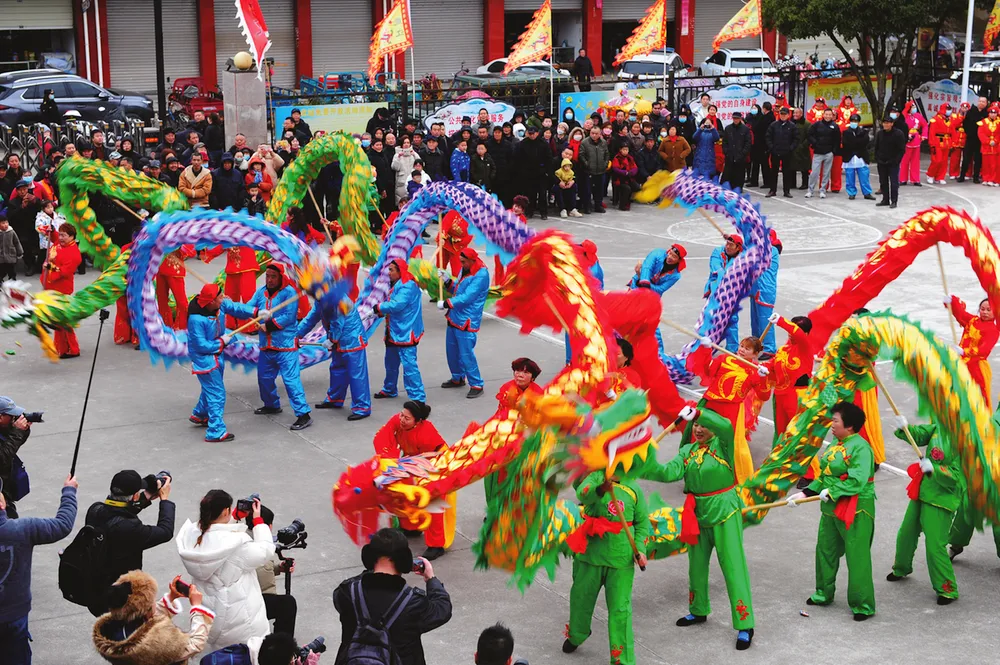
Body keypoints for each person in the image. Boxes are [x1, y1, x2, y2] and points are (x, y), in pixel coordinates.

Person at [641, 408, 755, 650]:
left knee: (733, 567)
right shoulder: (687, 452)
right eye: (695, 425)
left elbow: (726, 426)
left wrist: (700, 412)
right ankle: (698, 610)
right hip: (697, 514)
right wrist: (644, 462)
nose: (699, 429)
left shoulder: (724, 446)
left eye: (703, 424)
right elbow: (667, 472)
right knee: (697, 566)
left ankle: (745, 624)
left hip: (725, 511)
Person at [787, 401, 876, 621]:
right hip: (830, 508)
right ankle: (823, 593)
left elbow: (857, 481)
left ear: (850, 426)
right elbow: (825, 475)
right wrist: (806, 493)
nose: (831, 425)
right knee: (825, 551)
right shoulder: (836, 444)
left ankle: (862, 604)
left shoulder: (861, 447)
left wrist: (833, 491)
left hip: (855, 510)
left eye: (835, 421)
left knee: (857, 558)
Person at [562, 470, 649, 663]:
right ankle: (577, 635)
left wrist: (641, 549)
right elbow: (583, 492)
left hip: (620, 560)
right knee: (580, 601)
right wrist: (602, 488)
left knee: (620, 611)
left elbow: (642, 523)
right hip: (590, 556)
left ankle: (622, 659)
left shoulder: (634, 489)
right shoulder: (594, 477)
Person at [333, 527, 451, 665]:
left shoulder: (347, 593)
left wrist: (369, 572)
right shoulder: (413, 603)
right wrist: (431, 579)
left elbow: (342, 598)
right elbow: (442, 609)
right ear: (405, 561)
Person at [176, 491, 274, 652]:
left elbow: (215, 535)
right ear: (225, 511)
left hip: (209, 614)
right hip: (240, 619)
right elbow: (265, 551)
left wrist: (234, 518)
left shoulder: (191, 535)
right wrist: (258, 521)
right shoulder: (237, 546)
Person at [0, 472, 78, 664]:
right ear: (2, 504)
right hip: (14, 616)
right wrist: (69, 491)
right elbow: (63, 524)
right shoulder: (23, 529)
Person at [226, 264, 313, 431]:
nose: (270, 280)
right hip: (266, 346)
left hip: (286, 347)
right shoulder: (261, 292)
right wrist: (231, 305)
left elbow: (288, 316)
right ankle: (272, 405)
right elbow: (248, 308)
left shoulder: (289, 293)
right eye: (267, 276)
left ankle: (304, 414)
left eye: (273, 276)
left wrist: (269, 325)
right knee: (264, 378)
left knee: (290, 381)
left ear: (280, 277)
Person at [884, 419, 962, 605]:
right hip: (924, 490)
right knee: (906, 533)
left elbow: (958, 476)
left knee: (935, 545)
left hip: (942, 498)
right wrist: (905, 427)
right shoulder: (940, 424)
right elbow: (919, 434)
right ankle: (901, 568)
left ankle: (947, 589)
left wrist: (935, 469)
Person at [84, 470, 176, 616]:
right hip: (121, 597)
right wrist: (165, 500)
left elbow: (118, 511)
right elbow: (165, 532)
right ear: (134, 496)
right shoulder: (130, 528)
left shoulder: (95, 510)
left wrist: (147, 497)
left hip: (97, 588)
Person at [372, 404, 452, 559]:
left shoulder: (426, 433)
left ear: (418, 421)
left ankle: (436, 545)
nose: (401, 419)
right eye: (401, 415)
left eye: (406, 418)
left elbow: (436, 454)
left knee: (432, 501)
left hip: (435, 464)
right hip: (411, 462)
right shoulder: (398, 420)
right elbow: (382, 436)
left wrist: (409, 463)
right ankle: (411, 526)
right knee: (396, 488)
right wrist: (388, 460)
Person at [686, 335, 769, 484]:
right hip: (710, 404)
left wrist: (762, 377)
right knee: (701, 437)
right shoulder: (724, 358)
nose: (742, 350)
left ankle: (720, 475)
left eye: (747, 348)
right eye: (742, 346)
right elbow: (708, 371)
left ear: (755, 354)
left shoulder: (754, 370)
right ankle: (696, 471)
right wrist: (706, 350)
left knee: (725, 443)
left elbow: (764, 395)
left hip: (731, 410)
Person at [91, 571, 215, 663]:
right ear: (148, 610)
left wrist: (171, 597)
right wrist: (197, 608)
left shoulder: (113, 629)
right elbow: (193, 644)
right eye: (153, 601)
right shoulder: (155, 642)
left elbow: (147, 619)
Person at [299, 300, 371, 421]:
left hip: (352, 340)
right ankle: (335, 398)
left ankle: (362, 407)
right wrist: (296, 334)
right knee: (337, 369)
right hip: (340, 340)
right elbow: (311, 318)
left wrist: (332, 339)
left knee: (356, 375)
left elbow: (337, 322)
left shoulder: (338, 300)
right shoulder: (321, 299)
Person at [435, 248, 490, 399]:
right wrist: (448, 282)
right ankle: (457, 377)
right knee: (451, 351)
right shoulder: (466, 268)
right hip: (455, 316)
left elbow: (467, 297)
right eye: (461, 262)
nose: (461, 264)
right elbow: (458, 289)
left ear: (472, 260)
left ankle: (477, 383)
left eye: (464, 262)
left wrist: (446, 303)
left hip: (467, 319)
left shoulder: (481, 274)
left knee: (466, 354)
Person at [187, 284, 238, 442]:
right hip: (206, 360)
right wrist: (222, 342)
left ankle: (200, 414)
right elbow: (201, 346)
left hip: (215, 357)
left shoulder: (217, 306)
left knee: (209, 387)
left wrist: (256, 312)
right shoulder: (196, 319)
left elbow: (238, 308)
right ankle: (215, 431)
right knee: (217, 393)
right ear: (211, 301)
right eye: (220, 297)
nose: (224, 299)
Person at [374, 259, 426, 402]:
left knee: (409, 366)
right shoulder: (399, 283)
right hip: (394, 330)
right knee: (390, 363)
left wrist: (379, 308)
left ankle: (418, 397)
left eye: (391, 270)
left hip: (405, 332)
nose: (388, 273)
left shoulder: (407, 286)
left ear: (399, 271)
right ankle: (389, 388)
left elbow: (397, 305)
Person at [945, 295, 998, 403]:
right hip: (961, 362)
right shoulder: (973, 320)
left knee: (977, 396)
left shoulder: (993, 330)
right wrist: (952, 302)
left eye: (989, 310)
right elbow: (961, 314)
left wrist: (964, 351)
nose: (985, 312)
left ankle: (981, 419)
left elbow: (984, 350)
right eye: (982, 309)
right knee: (956, 391)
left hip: (977, 367)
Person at [42, 223, 83, 358]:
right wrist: (53, 231)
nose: (61, 237)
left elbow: (65, 272)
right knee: (59, 321)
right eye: (60, 234)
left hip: (62, 289)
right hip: (52, 287)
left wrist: (50, 268)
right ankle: (62, 348)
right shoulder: (60, 243)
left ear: (72, 237)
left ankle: (73, 349)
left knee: (64, 321)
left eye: (64, 235)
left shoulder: (74, 254)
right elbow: (54, 239)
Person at [704, 234, 743, 351]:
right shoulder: (717, 252)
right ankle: (711, 345)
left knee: (732, 321)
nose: (728, 247)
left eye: (731, 245)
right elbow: (718, 270)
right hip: (715, 291)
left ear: (738, 248)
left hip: (732, 294)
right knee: (713, 319)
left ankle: (732, 349)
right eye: (727, 244)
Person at [514, 126, 551, 219]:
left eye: (533, 133)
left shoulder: (544, 144)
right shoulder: (522, 144)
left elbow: (549, 158)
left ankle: (544, 213)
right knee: (530, 194)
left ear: (537, 133)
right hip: (528, 173)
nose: (531, 135)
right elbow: (518, 159)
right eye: (529, 133)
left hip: (541, 173)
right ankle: (530, 211)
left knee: (542, 194)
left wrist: (546, 170)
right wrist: (522, 171)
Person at [763, 106, 798, 198]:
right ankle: (772, 190)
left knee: (787, 172)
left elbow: (796, 139)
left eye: (785, 114)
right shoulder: (773, 125)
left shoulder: (792, 126)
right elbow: (768, 137)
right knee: (773, 172)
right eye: (781, 114)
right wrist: (771, 147)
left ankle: (786, 191)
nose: (783, 116)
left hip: (787, 153)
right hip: (775, 152)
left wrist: (791, 148)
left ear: (788, 115)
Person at [806, 108, 840, 199]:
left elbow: (837, 140)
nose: (828, 116)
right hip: (818, 153)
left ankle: (823, 190)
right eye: (826, 114)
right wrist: (815, 143)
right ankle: (810, 190)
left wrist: (834, 151)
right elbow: (809, 134)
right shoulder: (817, 125)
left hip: (829, 153)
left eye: (830, 115)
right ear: (823, 115)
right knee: (814, 172)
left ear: (832, 116)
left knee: (826, 173)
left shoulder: (835, 126)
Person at [874, 115, 906, 208]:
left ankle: (894, 201)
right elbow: (876, 147)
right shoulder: (880, 134)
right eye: (884, 123)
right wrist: (878, 159)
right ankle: (885, 199)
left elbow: (901, 150)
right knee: (883, 181)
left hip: (893, 162)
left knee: (894, 182)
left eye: (888, 123)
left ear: (892, 124)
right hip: (882, 162)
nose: (886, 125)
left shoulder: (898, 134)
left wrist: (896, 161)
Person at [841, 113, 875, 200]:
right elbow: (846, 144)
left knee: (864, 176)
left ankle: (867, 193)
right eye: (852, 121)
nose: (854, 122)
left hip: (861, 157)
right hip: (849, 157)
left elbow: (865, 143)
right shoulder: (845, 132)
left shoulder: (863, 132)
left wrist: (855, 142)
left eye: (855, 121)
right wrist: (857, 142)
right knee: (849, 177)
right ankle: (851, 193)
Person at [578, 126, 609, 214]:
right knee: (587, 190)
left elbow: (607, 154)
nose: (594, 135)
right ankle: (587, 207)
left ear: (600, 134)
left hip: (601, 170)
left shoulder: (603, 142)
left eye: (596, 134)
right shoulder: (585, 142)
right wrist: (587, 164)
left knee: (599, 190)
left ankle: (598, 206)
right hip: (589, 171)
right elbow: (581, 155)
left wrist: (605, 164)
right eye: (592, 133)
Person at [960, 96, 988, 183]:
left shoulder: (986, 114)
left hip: (980, 141)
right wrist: (969, 133)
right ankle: (962, 176)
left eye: (983, 102)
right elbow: (965, 124)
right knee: (966, 159)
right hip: (970, 139)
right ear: (977, 102)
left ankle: (976, 177)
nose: (981, 103)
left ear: (986, 104)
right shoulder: (971, 112)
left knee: (978, 160)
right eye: (980, 101)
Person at [721, 111, 752, 190]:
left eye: (737, 118)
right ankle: (727, 187)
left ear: (740, 119)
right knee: (728, 173)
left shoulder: (745, 129)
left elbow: (748, 143)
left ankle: (738, 187)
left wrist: (743, 153)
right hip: (730, 155)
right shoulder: (728, 128)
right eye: (734, 118)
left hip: (741, 156)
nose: (735, 120)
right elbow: (725, 142)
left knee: (739, 174)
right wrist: (726, 152)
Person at [926, 104, 955, 185]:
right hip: (937, 142)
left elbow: (953, 132)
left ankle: (940, 177)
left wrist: (953, 142)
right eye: (947, 109)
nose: (949, 111)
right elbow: (932, 133)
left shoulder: (950, 119)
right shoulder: (935, 119)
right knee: (936, 160)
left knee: (944, 161)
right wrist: (932, 144)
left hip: (947, 142)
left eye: (949, 109)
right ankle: (930, 175)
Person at [748, 102, 774, 187]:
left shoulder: (766, 118)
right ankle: (757, 181)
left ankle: (765, 182)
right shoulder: (768, 117)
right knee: (758, 163)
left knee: (762, 164)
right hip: (761, 144)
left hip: (762, 144)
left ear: (763, 108)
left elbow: (757, 129)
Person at [610, 144, 639, 211]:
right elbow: (615, 169)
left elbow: (635, 168)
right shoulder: (617, 158)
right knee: (627, 188)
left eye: (626, 150)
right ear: (620, 150)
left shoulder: (630, 158)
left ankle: (628, 200)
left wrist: (631, 173)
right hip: (619, 179)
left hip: (629, 178)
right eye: (624, 149)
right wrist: (625, 173)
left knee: (636, 187)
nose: (625, 151)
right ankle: (622, 205)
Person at [978, 102, 1000, 187]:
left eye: (994, 113)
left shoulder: (999, 122)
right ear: (989, 113)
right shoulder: (983, 122)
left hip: (995, 146)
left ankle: (992, 179)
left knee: (994, 164)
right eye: (991, 112)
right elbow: (980, 133)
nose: (993, 114)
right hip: (986, 146)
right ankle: (985, 178)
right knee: (985, 164)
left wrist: (995, 140)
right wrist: (987, 141)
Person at [0, 213, 22, 281]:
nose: (5, 224)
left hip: (11, 255)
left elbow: (16, 242)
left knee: (11, 270)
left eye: (6, 222)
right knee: (2, 271)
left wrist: (20, 251)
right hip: (1, 256)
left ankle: (12, 281)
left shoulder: (11, 232)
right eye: (3, 223)